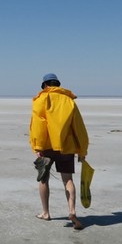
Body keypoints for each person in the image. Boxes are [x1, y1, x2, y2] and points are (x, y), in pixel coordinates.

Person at [29, 73, 89, 230]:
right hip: (66, 147)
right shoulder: (69, 101)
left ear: (44, 86)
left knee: (43, 179)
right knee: (67, 180)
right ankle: (72, 211)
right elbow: (79, 127)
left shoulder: (40, 100)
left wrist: (37, 147)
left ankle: (46, 213)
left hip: (46, 147)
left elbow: (38, 125)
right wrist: (82, 149)